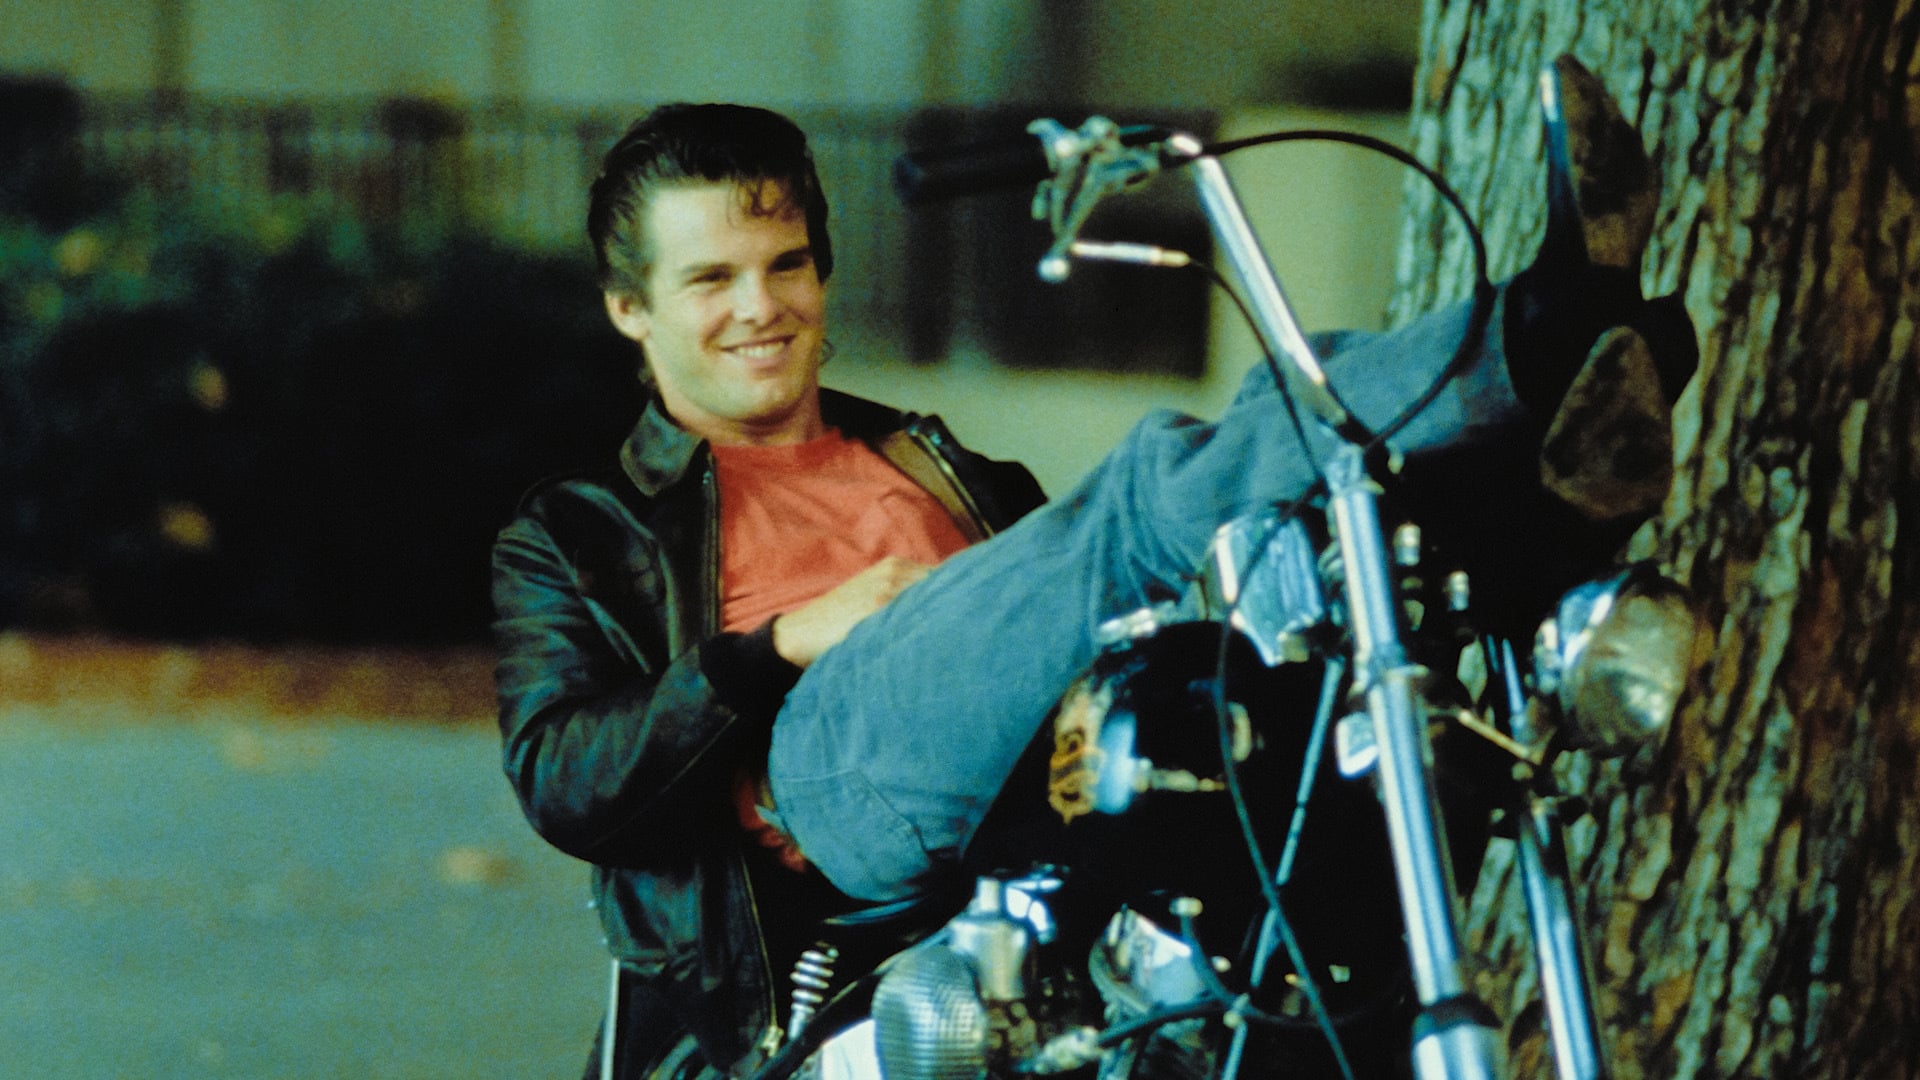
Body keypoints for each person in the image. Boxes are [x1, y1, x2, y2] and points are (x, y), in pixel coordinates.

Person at [492, 57, 1695, 1079]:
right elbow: (564, 777)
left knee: (1304, 570)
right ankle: (1544, 335)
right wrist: (780, 646)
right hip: (830, 802)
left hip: (1028, 819)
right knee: (1141, 500)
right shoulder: (584, 531)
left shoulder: (940, 466)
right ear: (629, 310)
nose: (762, 306)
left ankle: (1551, 468)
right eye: (711, 279)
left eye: (787, 264)